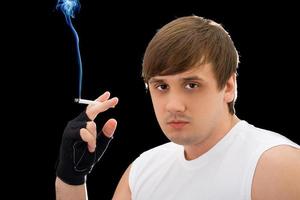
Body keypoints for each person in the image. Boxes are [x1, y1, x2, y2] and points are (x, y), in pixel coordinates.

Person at [55, 15, 300, 200]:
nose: (173, 105)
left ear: (228, 86)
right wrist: (71, 179)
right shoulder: (142, 171)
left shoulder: (275, 165)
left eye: (192, 84)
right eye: (161, 86)